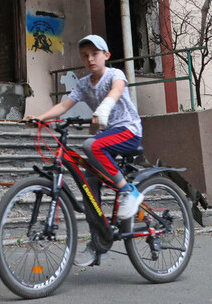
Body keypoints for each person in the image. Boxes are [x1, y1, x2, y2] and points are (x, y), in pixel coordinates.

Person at [29, 34, 145, 267]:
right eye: (85, 56)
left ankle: (129, 192)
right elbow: (63, 105)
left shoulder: (115, 74)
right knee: (88, 184)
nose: (90, 59)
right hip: (108, 136)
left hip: (128, 131)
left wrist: (103, 109)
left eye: (95, 54)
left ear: (106, 56)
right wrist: (41, 117)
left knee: (91, 145)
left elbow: (115, 91)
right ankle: (99, 244)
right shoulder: (83, 84)